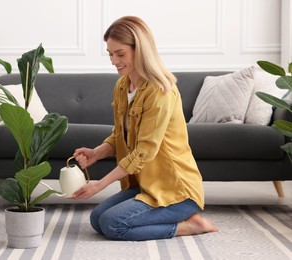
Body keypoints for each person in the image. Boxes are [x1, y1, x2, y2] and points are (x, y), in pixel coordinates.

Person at [71, 16, 219, 241]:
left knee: (112, 224)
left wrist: (98, 185)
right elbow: (121, 134)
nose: (114, 61)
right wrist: (96, 153)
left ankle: (188, 226)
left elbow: (143, 151)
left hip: (176, 193)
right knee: (97, 219)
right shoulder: (122, 86)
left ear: (140, 50)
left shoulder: (160, 91)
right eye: (110, 54)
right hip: (146, 186)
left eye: (120, 54)